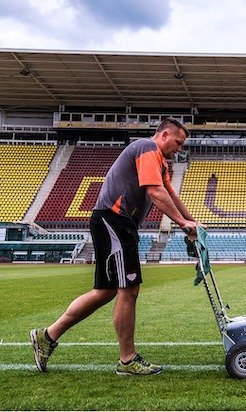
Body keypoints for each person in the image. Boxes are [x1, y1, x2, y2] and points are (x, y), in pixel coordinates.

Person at [31, 118, 201, 376]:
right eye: (178, 142)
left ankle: (47, 336)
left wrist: (193, 221)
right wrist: (182, 223)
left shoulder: (161, 163)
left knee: (106, 291)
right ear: (164, 135)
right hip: (114, 219)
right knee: (129, 288)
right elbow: (155, 193)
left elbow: (171, 194)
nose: (180, 148)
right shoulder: (147, 148)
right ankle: (127, 359)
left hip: (116, 222)